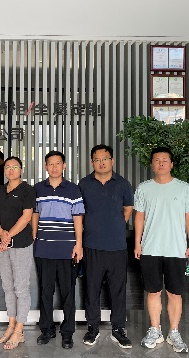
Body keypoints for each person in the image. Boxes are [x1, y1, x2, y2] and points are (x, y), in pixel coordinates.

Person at [134, 146, 189, 353]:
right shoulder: (144, 188)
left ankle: (174, 332)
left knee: (175, 293)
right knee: (153, 291)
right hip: (150, 248)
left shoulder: (184, 188)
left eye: (165, 160)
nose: (160, 163)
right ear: (152, 164)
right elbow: (139, 217)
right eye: (157, 160)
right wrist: (137, 243)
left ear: (171, 164)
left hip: (177, 249)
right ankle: (155, 330)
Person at [78, 145, 134, 348]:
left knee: (117, 289)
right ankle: (92, 327)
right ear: (92, 162)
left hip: (117, 246)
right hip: (91, 244)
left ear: (112, 160)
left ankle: (118, 329)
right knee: (91, 288)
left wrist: (115, 225)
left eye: (105, 159)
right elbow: (79, 213)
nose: (101, 163)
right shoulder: (84, 184)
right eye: (97, 159)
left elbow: (128, 209)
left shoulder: (123, 184)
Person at [32, 150, 84, 349]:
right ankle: (46, 330)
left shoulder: (73, 189)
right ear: (46, 166)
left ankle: (67, 333)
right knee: (45, 291)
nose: (54, 167)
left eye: (58, 163)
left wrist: (78, 244)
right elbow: (35, 214)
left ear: (64, 166)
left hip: (66, 249)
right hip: (44, 248)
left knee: (67, 292)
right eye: (50, 164)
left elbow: (78, 217)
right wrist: (35, 238)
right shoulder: (38, 189)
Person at [0, 156, 36, 350]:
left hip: (21, 244)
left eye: (15, 167)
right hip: (2, 244)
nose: (11, 170)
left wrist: (8, 236)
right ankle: (11, 325)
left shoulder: (28, 190)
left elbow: (26, 217)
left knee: (21, 288)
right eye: (7, 167)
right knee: (8, 287)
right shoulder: (0, 190)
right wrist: (1, 232)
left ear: (21, 170)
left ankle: (19, 329)